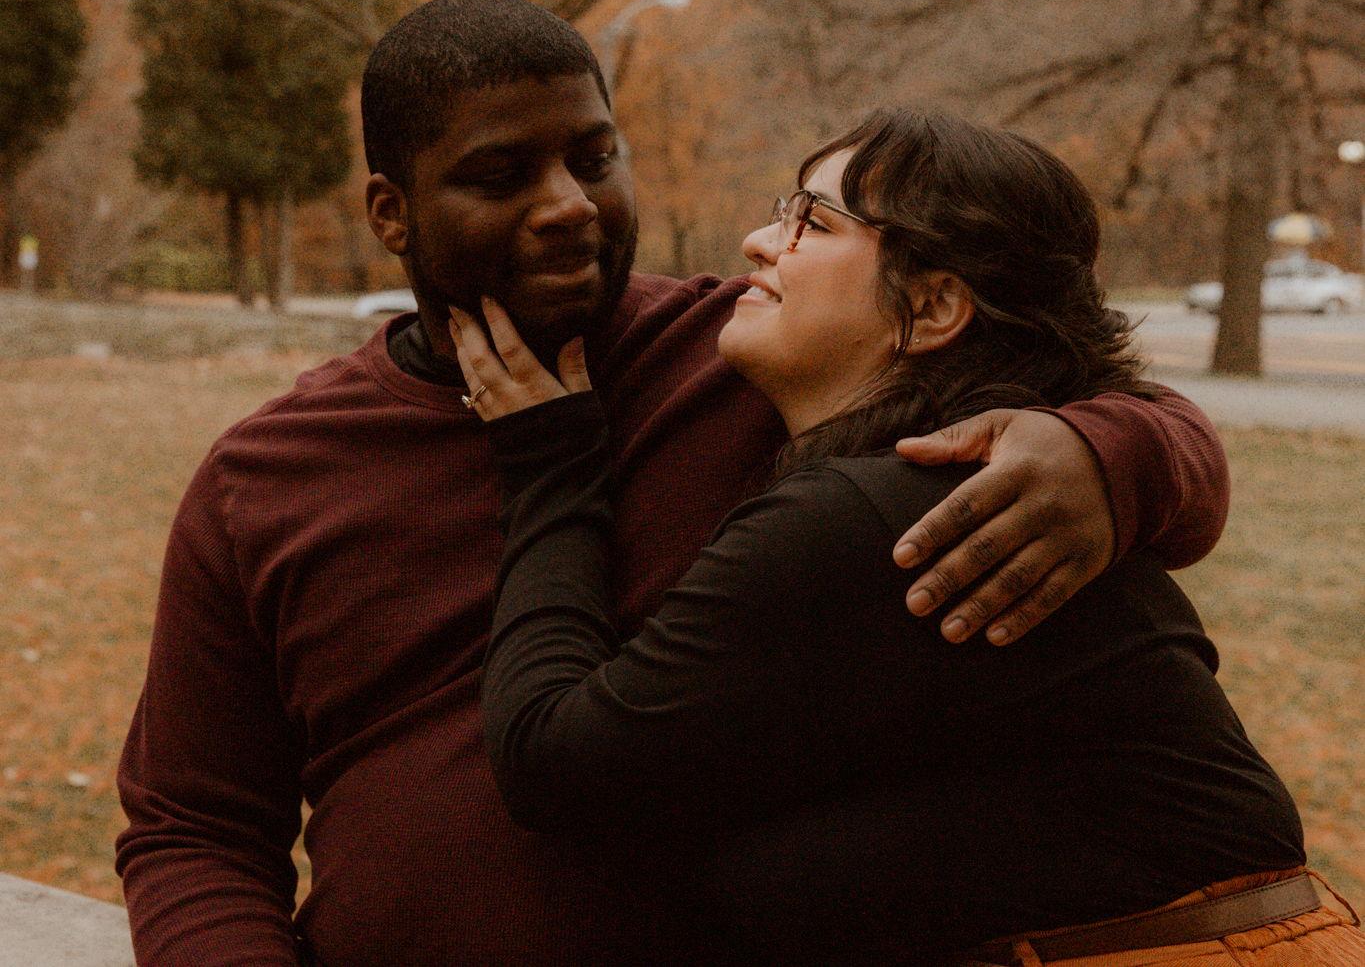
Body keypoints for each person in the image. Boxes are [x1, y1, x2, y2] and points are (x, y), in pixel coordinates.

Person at [118, 0, 1234, 966]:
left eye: (593, 158)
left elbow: (1075, 386)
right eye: (501, 175)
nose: (567, 203)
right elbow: (193, 826)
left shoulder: (751, 361)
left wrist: (1115, 454)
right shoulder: (268, 477)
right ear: (390, 211)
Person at [461, 105, 1364, 966]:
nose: (759, 241)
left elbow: (553, 764)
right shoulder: (954, 477)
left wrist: (548, 468)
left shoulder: (881, 513)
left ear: (930, 308)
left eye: (813, 221)